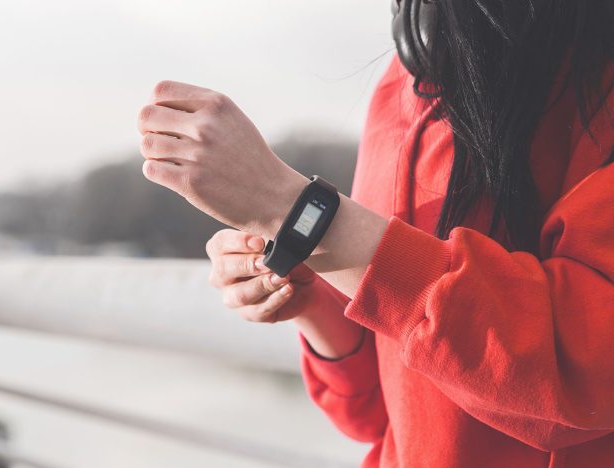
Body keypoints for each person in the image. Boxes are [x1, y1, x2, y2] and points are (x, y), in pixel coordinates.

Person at [137, 1, 614, 466]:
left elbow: (588, 374)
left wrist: (294, 209)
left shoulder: (596, 72)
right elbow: (375, 414)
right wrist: (318, 300)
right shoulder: (402, 77)